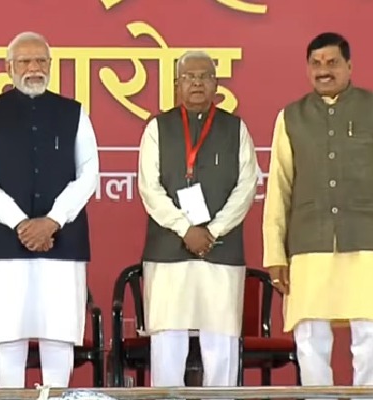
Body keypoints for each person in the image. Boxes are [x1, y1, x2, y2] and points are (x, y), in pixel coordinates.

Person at [0, 31, 99, 388]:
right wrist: (21, 223)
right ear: (9, 67)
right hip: (4, 241)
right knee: (7, 334)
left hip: (62, 240)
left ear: (51, 66)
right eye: (24, 61)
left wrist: (53, 221)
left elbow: (89, 174)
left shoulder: (74, 112)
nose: (33, 68)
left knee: (59, 334)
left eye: (41, 61)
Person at [137, 50, 258, 388]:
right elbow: (149, 189)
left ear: (216, 84)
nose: (196, 83)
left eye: (204, 76)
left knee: (221, 343)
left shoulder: (236, 128)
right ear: (177, 84)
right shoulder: (157, 128)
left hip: (221, 252)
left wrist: (212, 231)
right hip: (168, 252)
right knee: (167, 342)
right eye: (189, 77)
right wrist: (185, 229)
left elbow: (247, 187)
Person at [263, 32, 373, 387]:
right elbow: (278, 188)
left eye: (332, 62)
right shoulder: (291, 117)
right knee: (310, 338)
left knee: (369, 336)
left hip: (365, 240)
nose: (323, 71)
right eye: (316, 63)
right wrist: (274, 253)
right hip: (309, 242)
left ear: (350, 66)